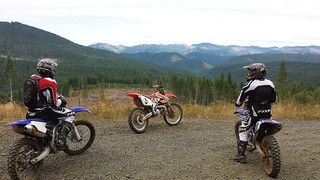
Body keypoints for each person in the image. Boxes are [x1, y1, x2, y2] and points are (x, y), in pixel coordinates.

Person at [233, 63, 277, 163]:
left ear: (256, 73)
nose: (248, 74)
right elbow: (273, 100)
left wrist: (237, 103)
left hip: (255, 114)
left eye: (250, 71)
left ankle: (241, 156)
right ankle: (262, 141)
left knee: (243, 131)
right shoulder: (270, 83)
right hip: (267, 114)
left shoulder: (251, 84)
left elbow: (241, 97)